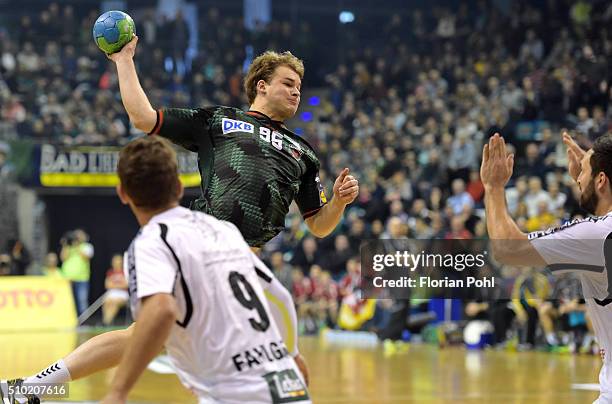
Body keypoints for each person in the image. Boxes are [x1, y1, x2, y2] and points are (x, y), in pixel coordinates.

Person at [1, 137, 308, 404]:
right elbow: (277, 295)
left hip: (236, 395)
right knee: (136, 332)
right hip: (288, 388)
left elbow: (160, 311)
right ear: (178, 186)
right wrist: (291, 355)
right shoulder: (221, 230)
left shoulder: (153, 241)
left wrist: (118, 391)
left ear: (123, 194)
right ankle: (32, 388)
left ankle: (32, 389)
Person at [109, 36, 359, 249]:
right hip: (204, 245)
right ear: (262, 86)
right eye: (288, 84)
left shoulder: (303, 153)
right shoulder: (218, 119)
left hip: (249, 262)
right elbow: (143, 118)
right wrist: (124, 60)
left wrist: (338, 201)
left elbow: (318, 225)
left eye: (299, 88)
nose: (296, 92)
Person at [480, 131, 612, 403]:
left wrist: (493, 188)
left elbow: (507, 249)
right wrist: (588, 178)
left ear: (601, 181)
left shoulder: (597, 236)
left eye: (583, 173)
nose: (577, 177)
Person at [60, 229, 94, 316]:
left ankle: (84, 322)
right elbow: (63, 258)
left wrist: (78, 245)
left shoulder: (87, 246)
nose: (77, 237)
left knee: (82, 300)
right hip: (67, 278)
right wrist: (65, 245)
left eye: (79, 235)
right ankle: (69, 320)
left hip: (82, 278)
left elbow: (86, 257)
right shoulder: (69, 247)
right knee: (68, 300)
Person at [102, 254, 128, 326]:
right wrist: (119, 285)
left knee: (114, 302)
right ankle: (106, 321)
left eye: (118, 261)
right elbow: (107, 285)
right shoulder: (110, 272)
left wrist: (114, 285)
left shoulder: (125, 272)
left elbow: (126, 285)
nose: (117, 262)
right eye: (115, 261)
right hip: (112, 292)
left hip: (123, 294)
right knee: (107, 301)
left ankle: (106, 322)